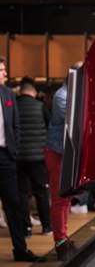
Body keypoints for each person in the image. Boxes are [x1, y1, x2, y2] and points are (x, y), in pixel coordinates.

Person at [0, 56, 46, 262]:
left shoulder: (8, 93)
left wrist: (14, 150)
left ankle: (20, 249)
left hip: (6, 156)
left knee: (14, 204)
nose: (5, 74)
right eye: (1, 70)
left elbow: (16, 124)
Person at [44, 61, 83, 261]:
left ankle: (64, 237)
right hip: (57, 153)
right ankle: (60, 242)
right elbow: (76, 122)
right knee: (60, 199)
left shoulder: (74, 93)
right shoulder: (62, 96)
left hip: (66, 153)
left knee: (66, 197)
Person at [16, 77, 52, 238]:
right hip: (38, 157)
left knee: (22, 193)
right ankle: (46, 227)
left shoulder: (13, 106)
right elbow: (49, 127)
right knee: (41, 192)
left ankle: (26, 228)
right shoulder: (40, 106)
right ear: (34, 92)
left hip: (18, 157)